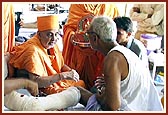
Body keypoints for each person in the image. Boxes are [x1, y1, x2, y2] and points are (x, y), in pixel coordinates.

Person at [77, 16, 163, 111]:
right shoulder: (123, 52)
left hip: (133, 110)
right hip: (144, 107)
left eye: (88, 34)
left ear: (94, 38)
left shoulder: (113, 59)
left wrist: (99, 96)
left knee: (78, 93)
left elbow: (112, 107)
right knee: (79, 92)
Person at [8, 15, 85, 95]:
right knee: (76, 91)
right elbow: (36, 82)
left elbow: (60, 65)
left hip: (53, 80)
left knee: (80, 83)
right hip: (42, 87)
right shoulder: (32, 51)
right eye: (50, 34)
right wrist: (63, 76)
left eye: (56, 34)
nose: (54, 39)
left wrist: (71, 72)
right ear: (39, 35)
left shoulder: (51, 44)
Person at [62, 4, 119, 90]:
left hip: (100, 52)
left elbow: (114, 30)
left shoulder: (110, 7)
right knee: (77, 81)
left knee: (97, 83)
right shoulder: (76, 5)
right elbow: (69, 28)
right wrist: (73, 37)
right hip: (79, 52)